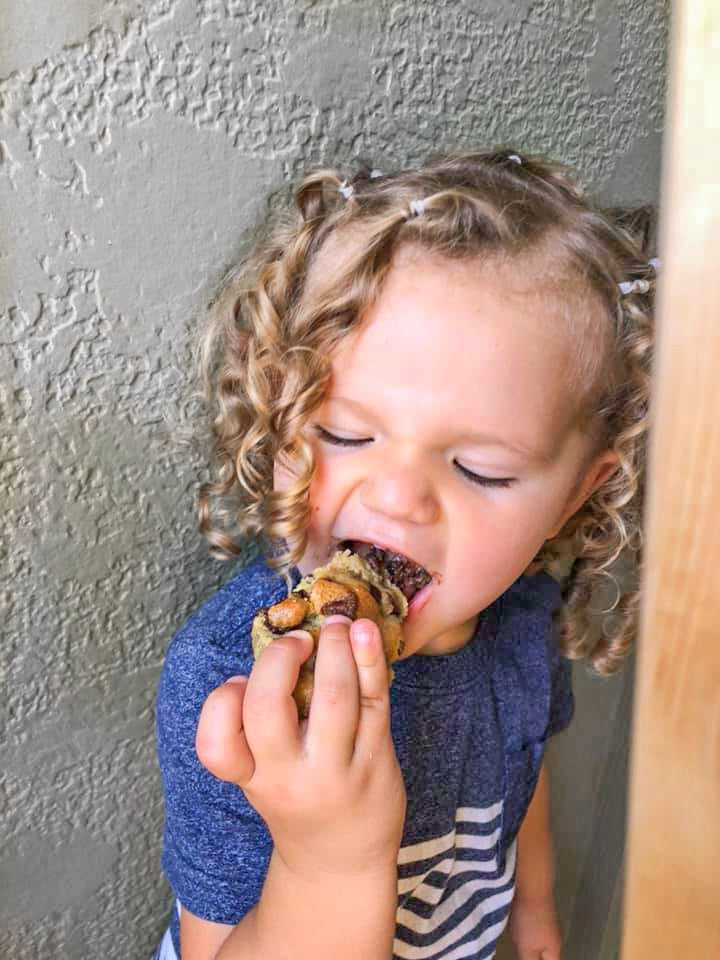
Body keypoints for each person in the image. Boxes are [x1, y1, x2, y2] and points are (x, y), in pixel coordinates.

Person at [153, 150, 655, 960]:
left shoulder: (522, 619)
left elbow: (520, 773)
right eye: (344, 433)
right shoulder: (234, 688)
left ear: (574, 494)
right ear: (277, 412)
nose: (398, 496)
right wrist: (328, 861)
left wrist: (532, 908)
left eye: (480, 469)